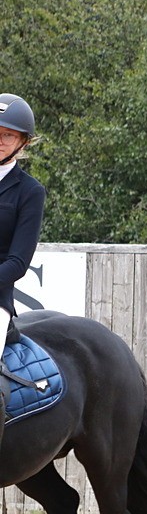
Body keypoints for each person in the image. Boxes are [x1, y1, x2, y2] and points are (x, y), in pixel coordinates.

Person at [0, 93, 45, 425]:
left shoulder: (30, 191)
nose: (0, 140)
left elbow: (17, 262)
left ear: (23, 142)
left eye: (8, 135)